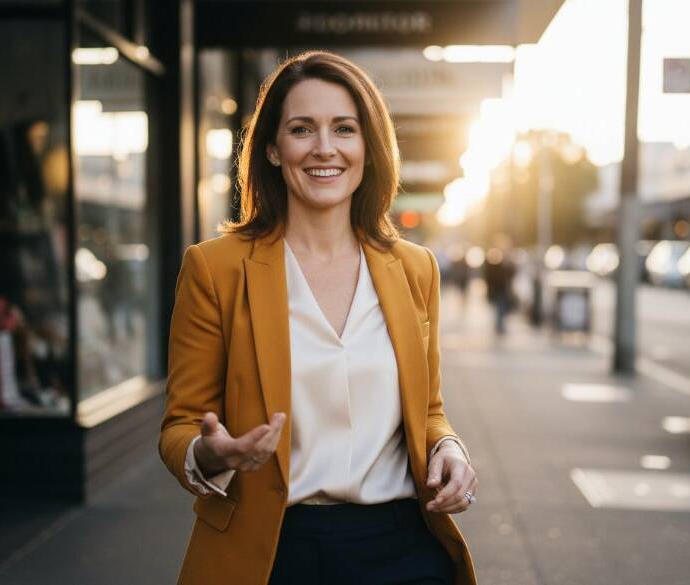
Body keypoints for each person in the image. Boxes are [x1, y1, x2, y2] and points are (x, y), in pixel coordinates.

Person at [159, 51, 478, 585]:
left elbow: (428, 412)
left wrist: (448, 447)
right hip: (273, 551)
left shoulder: (414, 269)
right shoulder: (215, 268)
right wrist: (212, 454)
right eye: (302, 129)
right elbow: (180, 426)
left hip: (402, 549)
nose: (324, 148)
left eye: (344, 129)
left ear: (368, 149)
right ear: (273, 149)